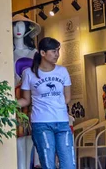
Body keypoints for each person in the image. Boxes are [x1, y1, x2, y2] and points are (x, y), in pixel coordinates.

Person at [18, 37, 75, 169]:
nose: (57, 54)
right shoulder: (29, 73)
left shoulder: (62, 71)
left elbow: (67, 98)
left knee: (69, 165)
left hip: (62, 122)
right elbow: (26, 100)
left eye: (58, 51)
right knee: (48, 165)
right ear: (43, 53)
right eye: (54, 51)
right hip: (41, 123)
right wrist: (5, 104)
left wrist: (55, 105)